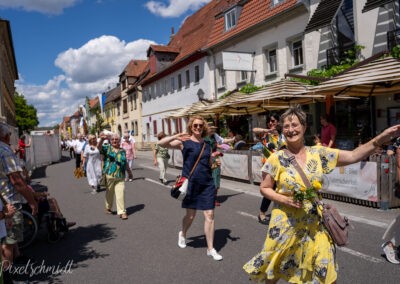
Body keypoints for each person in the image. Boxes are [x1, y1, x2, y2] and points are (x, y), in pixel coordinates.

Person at [243, 106, 400, 283]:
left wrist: (381, 138)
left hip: (315, 225)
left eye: (294, 125)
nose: (290, 130)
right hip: (285, 226)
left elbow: (354, 155)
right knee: (273, 271)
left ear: (304, 127)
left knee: (325, 273)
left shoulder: (318, 153)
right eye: (286, 126)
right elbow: (264, 188)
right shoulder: (276, 158)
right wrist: (284, 198)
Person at [157, 116, 223, 261]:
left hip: (207, 183)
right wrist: (177, 135)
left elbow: (209, 161)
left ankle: (210, 248)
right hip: (191, 183)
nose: (198, 127)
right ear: (191, 127)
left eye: (200, 125)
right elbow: (161, 143)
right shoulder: (184, 142)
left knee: (210, 215)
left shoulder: (207, 144)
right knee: (191, 215)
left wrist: (214, 160)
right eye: (195, 125)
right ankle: (183, 233)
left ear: (203, 127)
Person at [0, 122, 38, 282]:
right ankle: (10, 278)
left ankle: (10, 271)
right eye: (9, 135)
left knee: (7, 240)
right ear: (6, 136)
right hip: (9, 201)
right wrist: (32, 201)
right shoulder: (4, 150)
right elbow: (16, 180)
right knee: (9, 242)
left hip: (3, 199)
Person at [252, 113, 285, 225]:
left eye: (273, 121)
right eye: (269, 121)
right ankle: (262, 213)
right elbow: (254, 130)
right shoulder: (265, 135)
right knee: (269, 190)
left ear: (278, 122)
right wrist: (268, 130)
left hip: (281, 166)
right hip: (268, 167)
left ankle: (281, 213)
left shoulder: (282, 135)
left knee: (281, 190)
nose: (271, 123)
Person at [97, 132, 128, 220]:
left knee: (120, 193)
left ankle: (122, 212)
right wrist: (102, 139)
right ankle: (108, 207)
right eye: (113, 139)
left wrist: (129, 172)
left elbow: (125, 162)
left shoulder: (123, 151)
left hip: (120, 175)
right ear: (110, 141)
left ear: (119, 141)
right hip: (109, 175)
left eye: (116, 139)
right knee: (109, 193)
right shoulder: (107, 148)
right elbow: (98, 147)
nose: (114, 141)